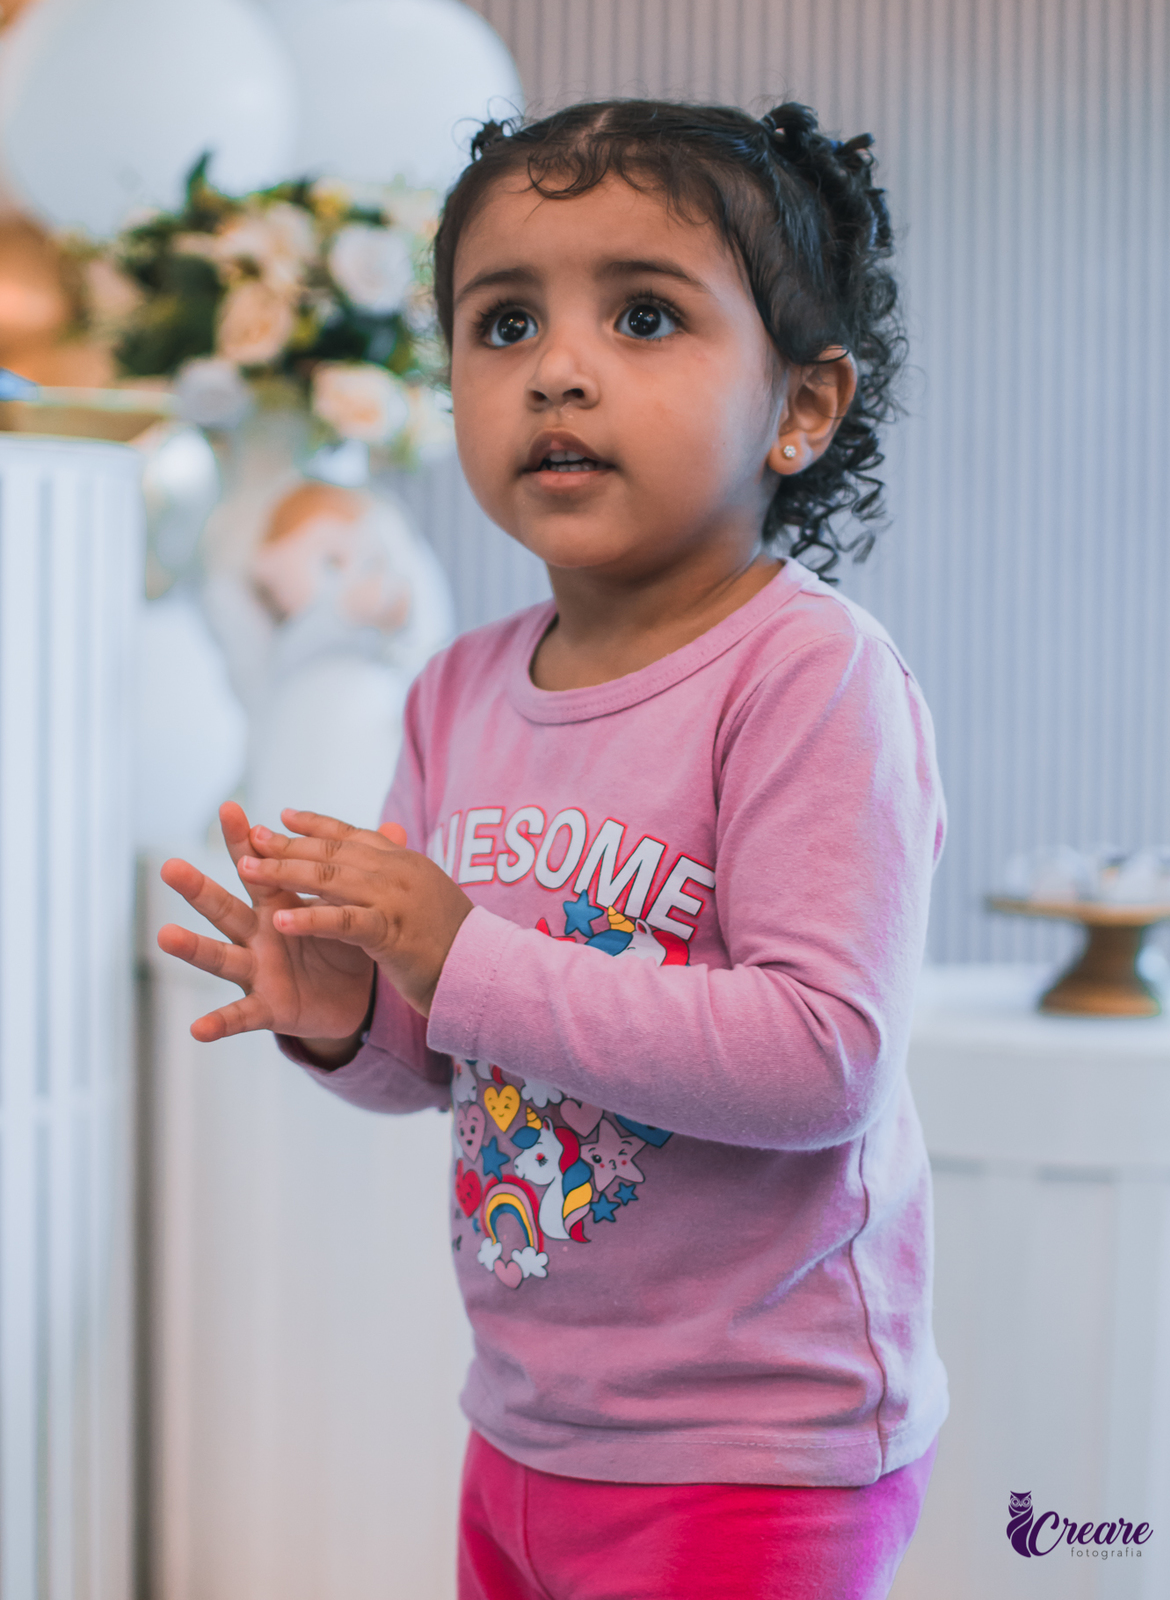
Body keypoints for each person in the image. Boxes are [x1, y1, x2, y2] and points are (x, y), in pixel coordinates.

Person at [158, 99, 948, 1600]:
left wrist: (459, 952)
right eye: (503, 323)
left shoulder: (807, 677)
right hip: (528, 1427)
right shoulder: (457, 691)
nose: (560, 369)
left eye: (645, 314)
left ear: (801, 407)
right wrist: (346, 1021)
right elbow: (448, 1061)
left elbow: (821, 1058)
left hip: (754, 1450)